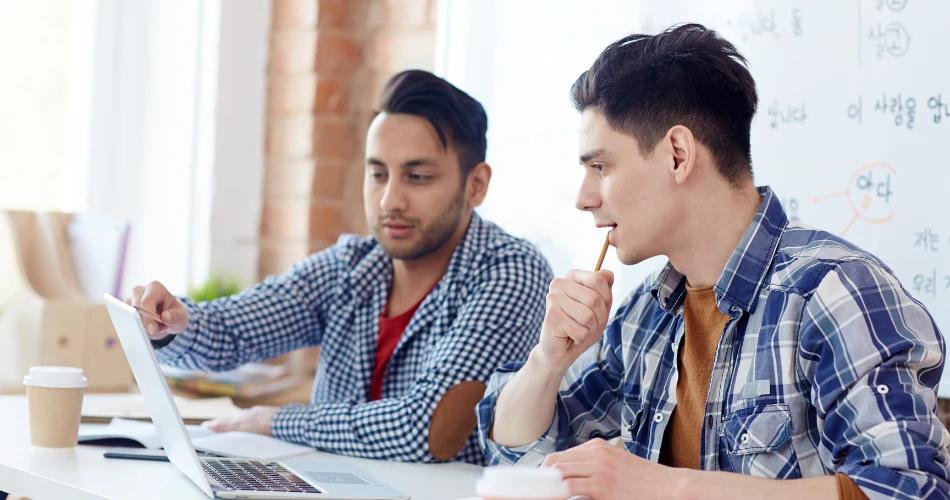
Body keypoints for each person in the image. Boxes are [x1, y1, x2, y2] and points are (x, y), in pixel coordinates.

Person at [478, 24, 950, 498]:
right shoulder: (647, 312)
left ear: (678, 155)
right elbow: (518, 453)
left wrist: (670, 486)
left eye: (600, 167)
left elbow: (909, 489)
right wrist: (547, 360)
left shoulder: (834, 292)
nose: (583, 198)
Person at [128, 69, 552, 465]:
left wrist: (274, 421)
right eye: (378, 174)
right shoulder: (353, 265)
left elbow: (426, 430)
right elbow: (234, 329)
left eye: (417, 177)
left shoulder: (510, 271)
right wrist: (174, 322)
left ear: (475, 184)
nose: (390, 201)